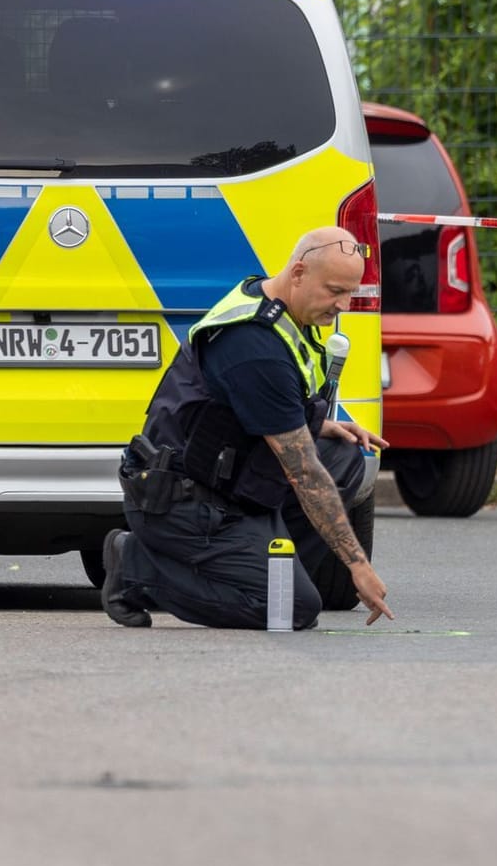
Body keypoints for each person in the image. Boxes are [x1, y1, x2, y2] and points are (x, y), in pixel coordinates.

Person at [100, 227, 397, 630]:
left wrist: (320, 424)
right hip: (181, 502)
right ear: (298, 273)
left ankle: (272, 572)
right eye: (334, 291)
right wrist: (357, 566)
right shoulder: (253, 345)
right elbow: (304, 472)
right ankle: (137, 566)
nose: (342, 305)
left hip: (224, 475)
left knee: (343, 458)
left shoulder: (279, 305)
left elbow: (252, 407)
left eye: (350, 292)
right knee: (291, 610)